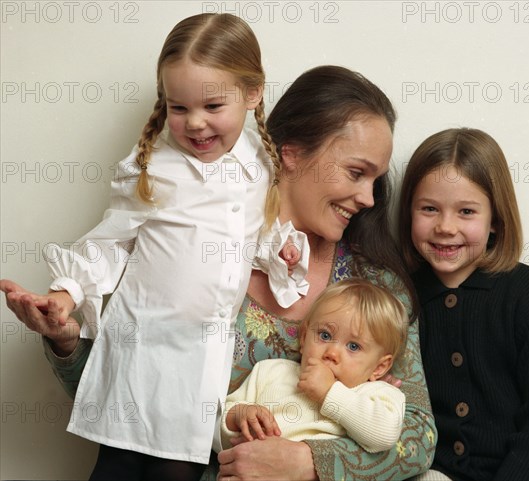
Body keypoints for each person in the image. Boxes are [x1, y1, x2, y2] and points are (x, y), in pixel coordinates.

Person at [1, 65, 437, 481]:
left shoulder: (377, 289)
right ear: (291, 154)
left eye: (375, 181)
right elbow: (125, 408)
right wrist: (65, 343)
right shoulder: (189, 251)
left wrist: (307, 462)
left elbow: (418, 438)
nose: (369, 198)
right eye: (356, 173)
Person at [1, 12, 305, 480]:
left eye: (211, 106)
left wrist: (279, 250)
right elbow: (110, 243)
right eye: (178, 108)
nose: (195, 123)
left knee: (175, 470)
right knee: (119, 465)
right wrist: (66, 294)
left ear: (252, 92)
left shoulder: (259, 164)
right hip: (140, 354)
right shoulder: (154, 167)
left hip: (201, 362)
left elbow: (254, 232)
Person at [397, 128, 529, 481]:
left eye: (466, 211)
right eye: (429, 209)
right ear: (409, 212)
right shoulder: (401, 298)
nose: (445, 227)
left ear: (496, 219)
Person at [222, 278, 409, 453]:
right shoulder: (271, 371)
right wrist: (239, 417)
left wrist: (330, 393)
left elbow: (384, 435)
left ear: (379, 367)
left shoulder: (377, 394)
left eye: (353, 346)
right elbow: (222, 426)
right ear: (303, 338)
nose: (332, 353)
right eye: (325, 335)